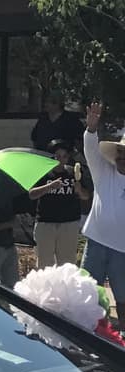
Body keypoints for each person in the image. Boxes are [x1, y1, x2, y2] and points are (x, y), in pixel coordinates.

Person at [82, 102, 125, 318]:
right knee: (88, 295)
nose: (121, 156)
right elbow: (90, 151)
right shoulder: (103, 172)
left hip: (123, 250)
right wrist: (91, 129)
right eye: (120, 152)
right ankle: (89, 338)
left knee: (124, 301)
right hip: (96, 242)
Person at [29, 140, 88, 268]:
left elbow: (86, 196)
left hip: (69, 223)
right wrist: (49, 186)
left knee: (67, 264)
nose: (61, 160)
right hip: (46, 223)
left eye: (64, 156)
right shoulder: (43, 173)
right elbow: (32, 194)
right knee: (45, 264)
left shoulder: (73, 173)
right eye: (57, 156)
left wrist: (79, 190)